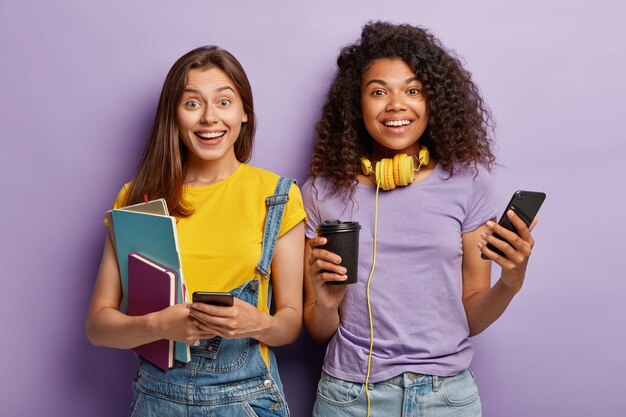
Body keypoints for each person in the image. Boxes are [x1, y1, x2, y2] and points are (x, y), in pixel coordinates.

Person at [302, 21, 538, 417]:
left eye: (413, 90)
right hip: (349, 395)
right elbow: (317, 328)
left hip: (446, 396)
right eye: (378, 92)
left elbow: (472, 317)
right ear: (355, 106)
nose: (396, 105)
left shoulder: (470, 184)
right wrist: (326, 305)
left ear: (434, 102)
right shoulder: (321, 192)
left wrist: (511, 283)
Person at [85, 46, 305, 416]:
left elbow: (290, 323)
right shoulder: (137, 197)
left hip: (246, 400)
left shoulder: (277, 196)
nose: (209, 118)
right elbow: (98, 326)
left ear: (244, 112)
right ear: (174, 114)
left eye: (223, 102)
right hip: (157, 401)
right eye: (192, 104)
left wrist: (257, 323)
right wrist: (157, 325)